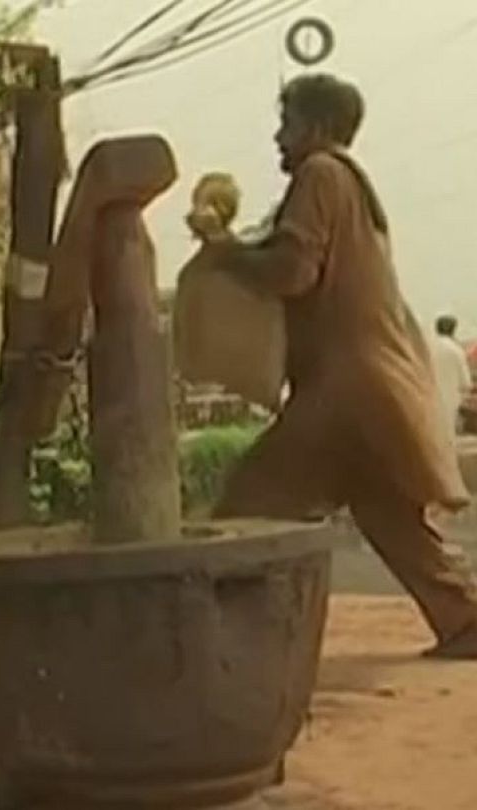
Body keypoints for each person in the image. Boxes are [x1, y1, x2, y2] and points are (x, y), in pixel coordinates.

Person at [192, 73, 477, 659]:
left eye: (287, 123)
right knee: (387, 513)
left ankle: (212, 633)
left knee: (247, 503)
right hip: (368, 383)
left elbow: (293, 272)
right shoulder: (348, 184)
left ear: (317, 128)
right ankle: (465, 620)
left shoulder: (320, 175)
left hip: (341, 388)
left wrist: (225, 253)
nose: (279, 137)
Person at [432, 315, 472, 440]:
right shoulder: (456, 350)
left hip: (427, 398)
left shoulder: (427, 346)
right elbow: (465, 383)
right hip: (450, 400)